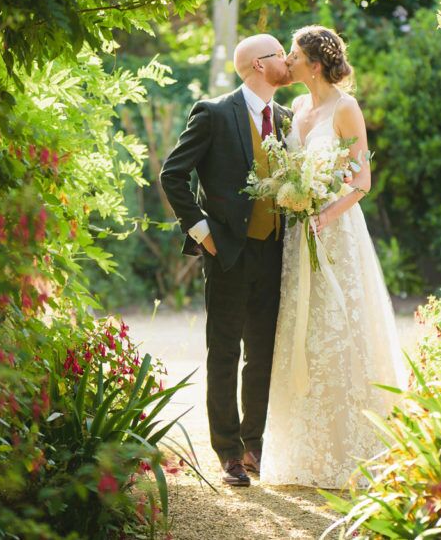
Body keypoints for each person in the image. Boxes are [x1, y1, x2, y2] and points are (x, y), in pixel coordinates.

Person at [261, 25, 408, 489]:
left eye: (294, 54)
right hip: (297, 235)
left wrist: (324, 214)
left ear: (315, 63)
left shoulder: (346, 108)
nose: (288, 60)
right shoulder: (300, 107)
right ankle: (303, 452)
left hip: (335, 232)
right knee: (301, 334)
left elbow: (361, 181)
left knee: (339, 330)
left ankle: (353, 449)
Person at [159, 33, 292, 487]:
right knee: (225, 352)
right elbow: (172, 174)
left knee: (262, 354)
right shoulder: (214, 113)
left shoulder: (287, 119)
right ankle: (229, 453)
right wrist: (201, 231)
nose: (289, 61)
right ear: (259, 65)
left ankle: (254, 446)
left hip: (275, 253)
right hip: (228, 254)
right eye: (281, 55)